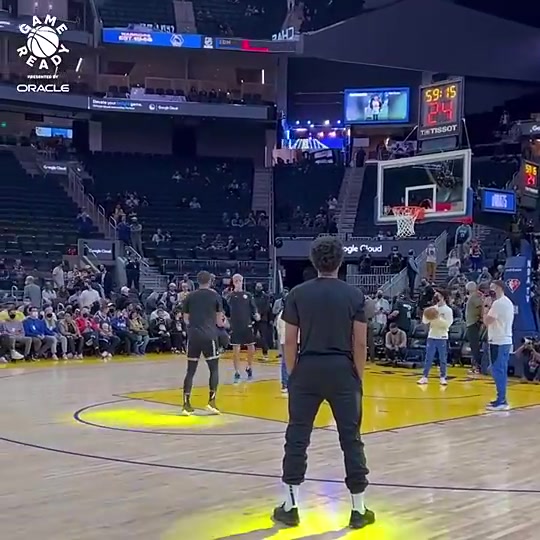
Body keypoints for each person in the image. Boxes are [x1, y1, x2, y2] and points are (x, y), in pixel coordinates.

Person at [272, 235, 374, 530]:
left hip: (307, 368)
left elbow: (289, 341)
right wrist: (357, 376)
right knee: (351, 439)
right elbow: (360, 343)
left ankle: (290, 507)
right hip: (343, 370)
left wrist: (294, 372)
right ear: (340, 261)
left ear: (313, 261)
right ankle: (358, 510)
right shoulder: (354, 295)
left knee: (297, 437)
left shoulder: (297, 294)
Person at [181, 271, 225, 415]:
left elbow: (185, 319)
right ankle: (211, 402)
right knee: (214, 369)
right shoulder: (215, 296)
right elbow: (219, 321)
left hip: (193, 336)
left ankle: (186, 404)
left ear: (197, 281)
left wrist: (194, 326)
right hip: (209, 336)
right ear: (210, 281)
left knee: (190, 371)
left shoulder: (190, 296)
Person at [483, 280, 514, 410]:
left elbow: (487, 321)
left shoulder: (497, 303)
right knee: (501, 369)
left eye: (492, 287)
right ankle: (501, 398)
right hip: (505, 339)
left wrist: (486, 307)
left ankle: (501, 401)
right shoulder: (508, 302)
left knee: (498, 370)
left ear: (499, 288)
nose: (490, 290)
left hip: (498, 340)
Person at [228, 273, 260, 383]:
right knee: (236, 349)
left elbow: (253, 308)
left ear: (242, 281)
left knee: (251, 347)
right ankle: (237, 371)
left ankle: (249, 367)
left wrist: (256, 314)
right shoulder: (230, 296)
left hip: (247, 324)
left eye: (240, 280)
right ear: (233, 282)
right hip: (235, 325)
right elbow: (226, 310)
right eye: (236, 281)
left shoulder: (248, 295)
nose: (238, 282)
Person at [417, 290, 454, 386]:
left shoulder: (448, 310)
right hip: (432, 335)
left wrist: (438, 318)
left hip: (442, 336)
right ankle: (424, 377)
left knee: (442, 358)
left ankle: (443, 377)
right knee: (428, 357)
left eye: (439, 296)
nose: (437, 297)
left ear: (443, 297)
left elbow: (448, 324)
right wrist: (426, 315)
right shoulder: (432, 309)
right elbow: (425, 321)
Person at [465, 281, 483, 375]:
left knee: (475, 346)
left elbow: (481, 306)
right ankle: (475, 365)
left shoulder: (475, 296)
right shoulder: (473, 296)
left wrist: (481, 318)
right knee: (473, 346)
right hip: (471, 323)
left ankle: (477, 366)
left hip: (473, 323)